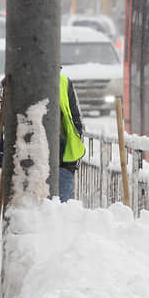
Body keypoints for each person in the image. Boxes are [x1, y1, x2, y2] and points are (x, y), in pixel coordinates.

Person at [58, 71, 85, 201]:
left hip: (63, 162)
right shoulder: (19, 80)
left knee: (61, 212)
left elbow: (76, 122)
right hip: (31, 166)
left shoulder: (64, 82)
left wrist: (71, 165)